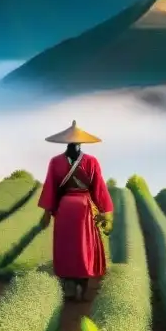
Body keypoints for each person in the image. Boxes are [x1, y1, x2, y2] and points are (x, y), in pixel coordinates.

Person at [37, 120, 114, 302]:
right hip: (80, 209)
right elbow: (99, 189)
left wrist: (47, 213)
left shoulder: (69, 162)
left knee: (73, 246)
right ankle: (74, 283)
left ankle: (76, 282)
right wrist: (107, 214)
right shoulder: (66, 162)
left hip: (70, 209)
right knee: (78, 246)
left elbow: (51, 188)